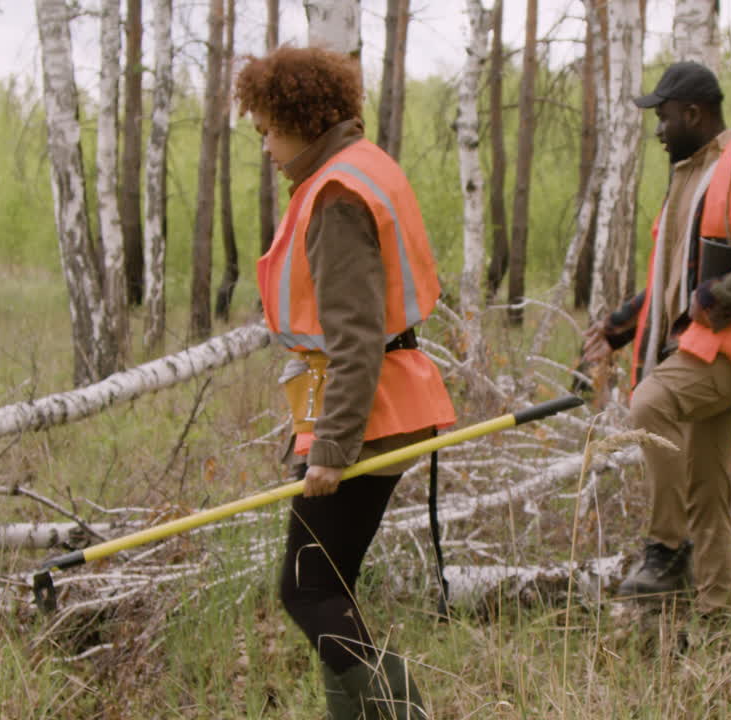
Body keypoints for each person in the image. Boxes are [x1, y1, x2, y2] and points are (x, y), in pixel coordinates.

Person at [235, 46, 455, 720]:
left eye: (269, 127)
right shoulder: (356, 168)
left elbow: (356, 338)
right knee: (326, 583)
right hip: (376, 402)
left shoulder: (336, 196)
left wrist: (331, 448)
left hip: (372, 409)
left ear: (302, 118)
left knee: (308, 589)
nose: (266, 144)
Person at [582, 61, 731, 619]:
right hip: (697, 346)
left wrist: (720, 297)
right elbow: (671, 279)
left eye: (662, 117)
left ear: (693, 113)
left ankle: (665, 547)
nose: (657, 130)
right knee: (708, 492)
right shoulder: (687, 175)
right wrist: (616, 327)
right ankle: (717, 621)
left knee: (650, 404)